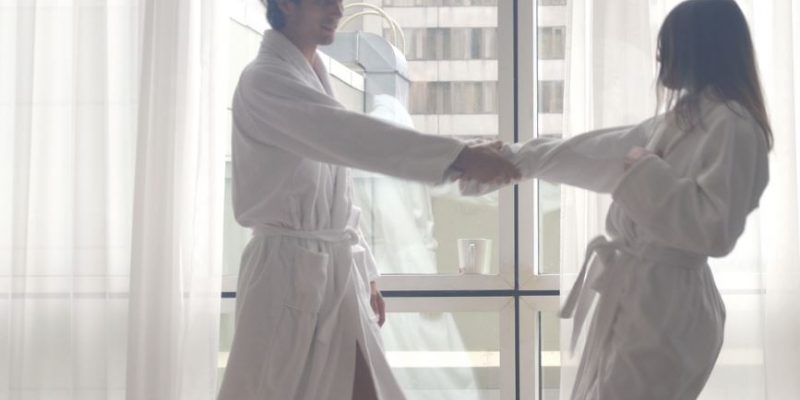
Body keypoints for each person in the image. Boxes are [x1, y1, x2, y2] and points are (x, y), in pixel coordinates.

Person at [461, 0, 771, 398]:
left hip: (669, 307)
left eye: (668, 49)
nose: (659, 62)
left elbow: (716, 229)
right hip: (643, 293)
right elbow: (593, 151)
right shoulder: (684, 118)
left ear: (701, 48)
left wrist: (645, 170)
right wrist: (508, 158)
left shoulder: (734, 127)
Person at [216, 0, 520, 399]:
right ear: (287, 4)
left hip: (337, 272)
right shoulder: (266, 80)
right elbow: (353, 137)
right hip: (287, 272)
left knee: (367, 388)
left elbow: (339, 189)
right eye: (325, 1)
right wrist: (458, 157)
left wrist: (366, 270)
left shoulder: (311, 77)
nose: (339, 9)